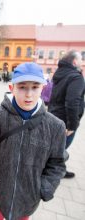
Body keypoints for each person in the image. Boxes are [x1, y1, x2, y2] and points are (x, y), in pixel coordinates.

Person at [0, 62, 66, 220]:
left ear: (43, 88)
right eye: (22, 87)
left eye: (35, 87)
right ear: (11, 87)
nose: (29, 94)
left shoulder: (55, 126)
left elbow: (57, 163)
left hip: (27, 201)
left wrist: (43, 188)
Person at [48, 50, 85, 178]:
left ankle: (51, 168)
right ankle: (56, 171)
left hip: (53, 116)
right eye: (81, 59)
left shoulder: (60, 74)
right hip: (65, 122)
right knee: (61, 149)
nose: (82, 61)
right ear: (74, 62)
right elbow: (72, 101)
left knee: (54, 147)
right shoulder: (76, 77)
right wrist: (72, 125)